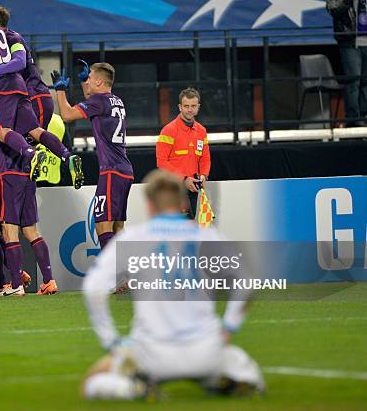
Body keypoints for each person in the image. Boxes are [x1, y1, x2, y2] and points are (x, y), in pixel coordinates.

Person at [81, 169, 264, 400]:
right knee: (237, 360)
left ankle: (134, 389)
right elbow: (247, 281)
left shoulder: (133, 238)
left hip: (152, 355)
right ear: (182, 203)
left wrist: (111, 342)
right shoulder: (206, 236)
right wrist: (229, 327)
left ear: (149, 205)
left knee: (93, 381)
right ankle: (224, 380)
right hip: (205, 350)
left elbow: (93, 288)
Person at [0, 3, 58, 295]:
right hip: (28, 110)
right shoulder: (1, 42)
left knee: (7, 228)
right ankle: (48, 279)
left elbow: (19, 62)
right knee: (30, 229)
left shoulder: (11, 39)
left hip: (10, 162)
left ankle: (13, 284)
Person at [0, 0, 84, 189]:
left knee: (1, 132)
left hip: (0, 89)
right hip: (19, 85)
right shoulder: (1, 31)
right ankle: (67, 157)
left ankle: (33, 154)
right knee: (35, 130)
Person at [53, 62, 134, 250]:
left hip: (111, 171)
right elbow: (92, 101)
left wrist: (60, 90)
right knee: (117, 226)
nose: (87, 80)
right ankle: (124, 277)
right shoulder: (116, 101)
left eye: (89, 77)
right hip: (125, 170)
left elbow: (66, 114)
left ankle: (111, 275)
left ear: (98, 82)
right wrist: (83, 83)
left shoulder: (99, 102)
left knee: (102, 224)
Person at [156, 88, 210, 220]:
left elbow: (205, 159)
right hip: (173, 188)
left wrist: (203, 176)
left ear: (198, 107)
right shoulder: (168, 130)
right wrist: (184, 179)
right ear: (180, 107)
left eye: (193, 106)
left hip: (194, 188)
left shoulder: (201, 131)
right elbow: (161, 162)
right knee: (178, 228)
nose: (190, 110)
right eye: (186, 106)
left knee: (189, 226)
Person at [327, 0, 367, 126]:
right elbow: (332, 8)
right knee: (353, 81)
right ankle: (353, 119)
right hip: (350, 40)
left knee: (366, 82)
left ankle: (364, 115)